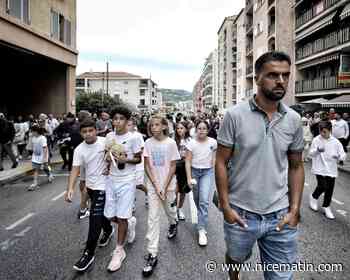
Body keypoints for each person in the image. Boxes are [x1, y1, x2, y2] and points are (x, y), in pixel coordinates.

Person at [216, 51, 304, 280]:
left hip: (280, 216)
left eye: (285, 75)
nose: (281, 81)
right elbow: (221, 162)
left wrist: (294, 210)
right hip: (241, 213)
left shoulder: (294, 120)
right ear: (256, 78)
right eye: (273, 75)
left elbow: (296, 166)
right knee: (235, 258)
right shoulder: (234, 116)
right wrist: (226, 206)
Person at [65, 119, 114, 272]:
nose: (88, 134)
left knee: (94, 216)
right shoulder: (79, 149)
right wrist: (70, 189)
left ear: (95, 130)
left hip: (105, 186)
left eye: (90, 131)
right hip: (91, 187)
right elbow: (75, 169)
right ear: (81, 133)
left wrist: (110, 166)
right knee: (102, 215)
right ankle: (108, 230)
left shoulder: (105, 142)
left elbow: (118, 157)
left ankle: (89, 253)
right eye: (84, 132)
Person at [104, 106, 143, 272]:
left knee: (121, 217)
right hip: (111, 180)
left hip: (127, 180)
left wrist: (125, 159)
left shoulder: (133, 138)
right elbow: (107, 154)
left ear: (127, 121)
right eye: (115, 119)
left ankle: (119, 250)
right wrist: (107, 159)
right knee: (109, 216)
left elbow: (138, 159)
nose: (117, 122)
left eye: (121, 119)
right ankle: (130, 222)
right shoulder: (109, 136)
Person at [142, 115, 180, 277]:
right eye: (151, 125)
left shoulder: (170, 143)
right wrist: (156, 186)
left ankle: (173, 223)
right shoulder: (148, 143)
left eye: (157, 125)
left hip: (168, 186)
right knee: (153, 218)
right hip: (153, 187)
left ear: (164, 126)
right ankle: (152, 254)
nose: (154, 128)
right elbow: (147, 166)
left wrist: (163, 186)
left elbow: (172, 167)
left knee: (170, 212)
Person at [185, 120, 217, 246]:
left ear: (208, 130)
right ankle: (202, 216)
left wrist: (212, 168)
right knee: (197, 199)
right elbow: (187, 161)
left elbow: (214, 157)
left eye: (204, 128)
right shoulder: (191, 144)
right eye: (199, 128)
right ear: (196, 129)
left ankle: (201, 229)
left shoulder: (213, 142)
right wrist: (188, 178)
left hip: (207, 173)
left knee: (204, 200)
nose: (202, 130)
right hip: (194, 172)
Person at [309, 121, 346, 220]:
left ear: (330, 130)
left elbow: (343, 155)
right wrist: (317, 150)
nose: (322, 134)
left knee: (330, 189)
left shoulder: (336, 142)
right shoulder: (316, 140)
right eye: (321, 131)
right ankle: (313, 197)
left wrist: (338, 157)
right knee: (322, 186)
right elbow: (310, 154)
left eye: (324, 132)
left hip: (331, 169)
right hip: (319, 167)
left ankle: (326, 206)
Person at [128, 118, 148, 207]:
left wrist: (134, 154)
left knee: (138, 184)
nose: (127, 127)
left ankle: (147, 192)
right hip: (128, 164)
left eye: (129, 125)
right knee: (129, 185)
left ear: (134, 126)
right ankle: (131, 204)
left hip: (138, 164)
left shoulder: (137, 136)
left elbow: (142, 148)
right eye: (126, 125)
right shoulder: (123, 136)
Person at [27, 125, 54, 191]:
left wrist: (44, 158)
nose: (31, 133)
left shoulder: (42, 138)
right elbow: (31, 147)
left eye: (32, 132)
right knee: (36, 169)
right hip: (35, 156)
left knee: (46, 168)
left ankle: (50, 174)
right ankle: (35, 183)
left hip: (43, 156)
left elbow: (45, 148)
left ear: (35, 132)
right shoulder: (33, 138)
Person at [174, 121, 191, 221]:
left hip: (185, 167)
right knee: (175, 191)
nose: (179, 130)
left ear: (186, 129)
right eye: (178, 128)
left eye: (182, 128)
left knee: (183, 191)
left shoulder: (190, 140)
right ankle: (175, 210)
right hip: (175, 167)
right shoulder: (173, 140)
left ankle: (179, 209)